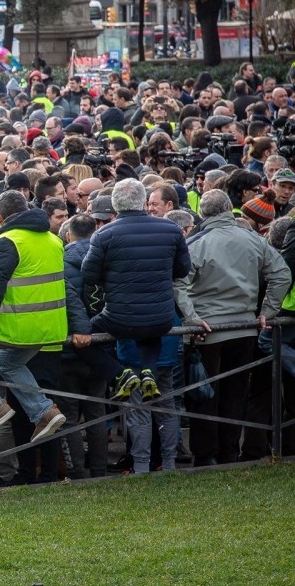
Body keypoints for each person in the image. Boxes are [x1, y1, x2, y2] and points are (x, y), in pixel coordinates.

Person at [174, 189, 290, 465]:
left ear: (202, 212)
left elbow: (178, 283)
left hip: (207, 330)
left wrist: (191, 317)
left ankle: (206, 455)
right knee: (235, 393)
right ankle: (228, 452)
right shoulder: (252, 239)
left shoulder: (197, 243)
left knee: (205, 394)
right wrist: (267, 312)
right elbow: (281, 274)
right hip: (245, 327)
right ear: (229, 207)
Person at [0, 191, 72, 444]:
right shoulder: (53, 239)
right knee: (6, 363)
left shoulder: (7, 241)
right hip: (52, 327)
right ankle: (44, 410)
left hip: (21, 327)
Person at [81, 179, 190, 401]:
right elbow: (182, 269)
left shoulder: (103, 235)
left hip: (119, 318)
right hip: (161, 316)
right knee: (150, 329)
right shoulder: (171, 229)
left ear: (115, 204)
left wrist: (111, 276)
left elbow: (89, 275)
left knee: (81, 338)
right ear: (143, 201)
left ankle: (120, 374)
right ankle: (148, 372)